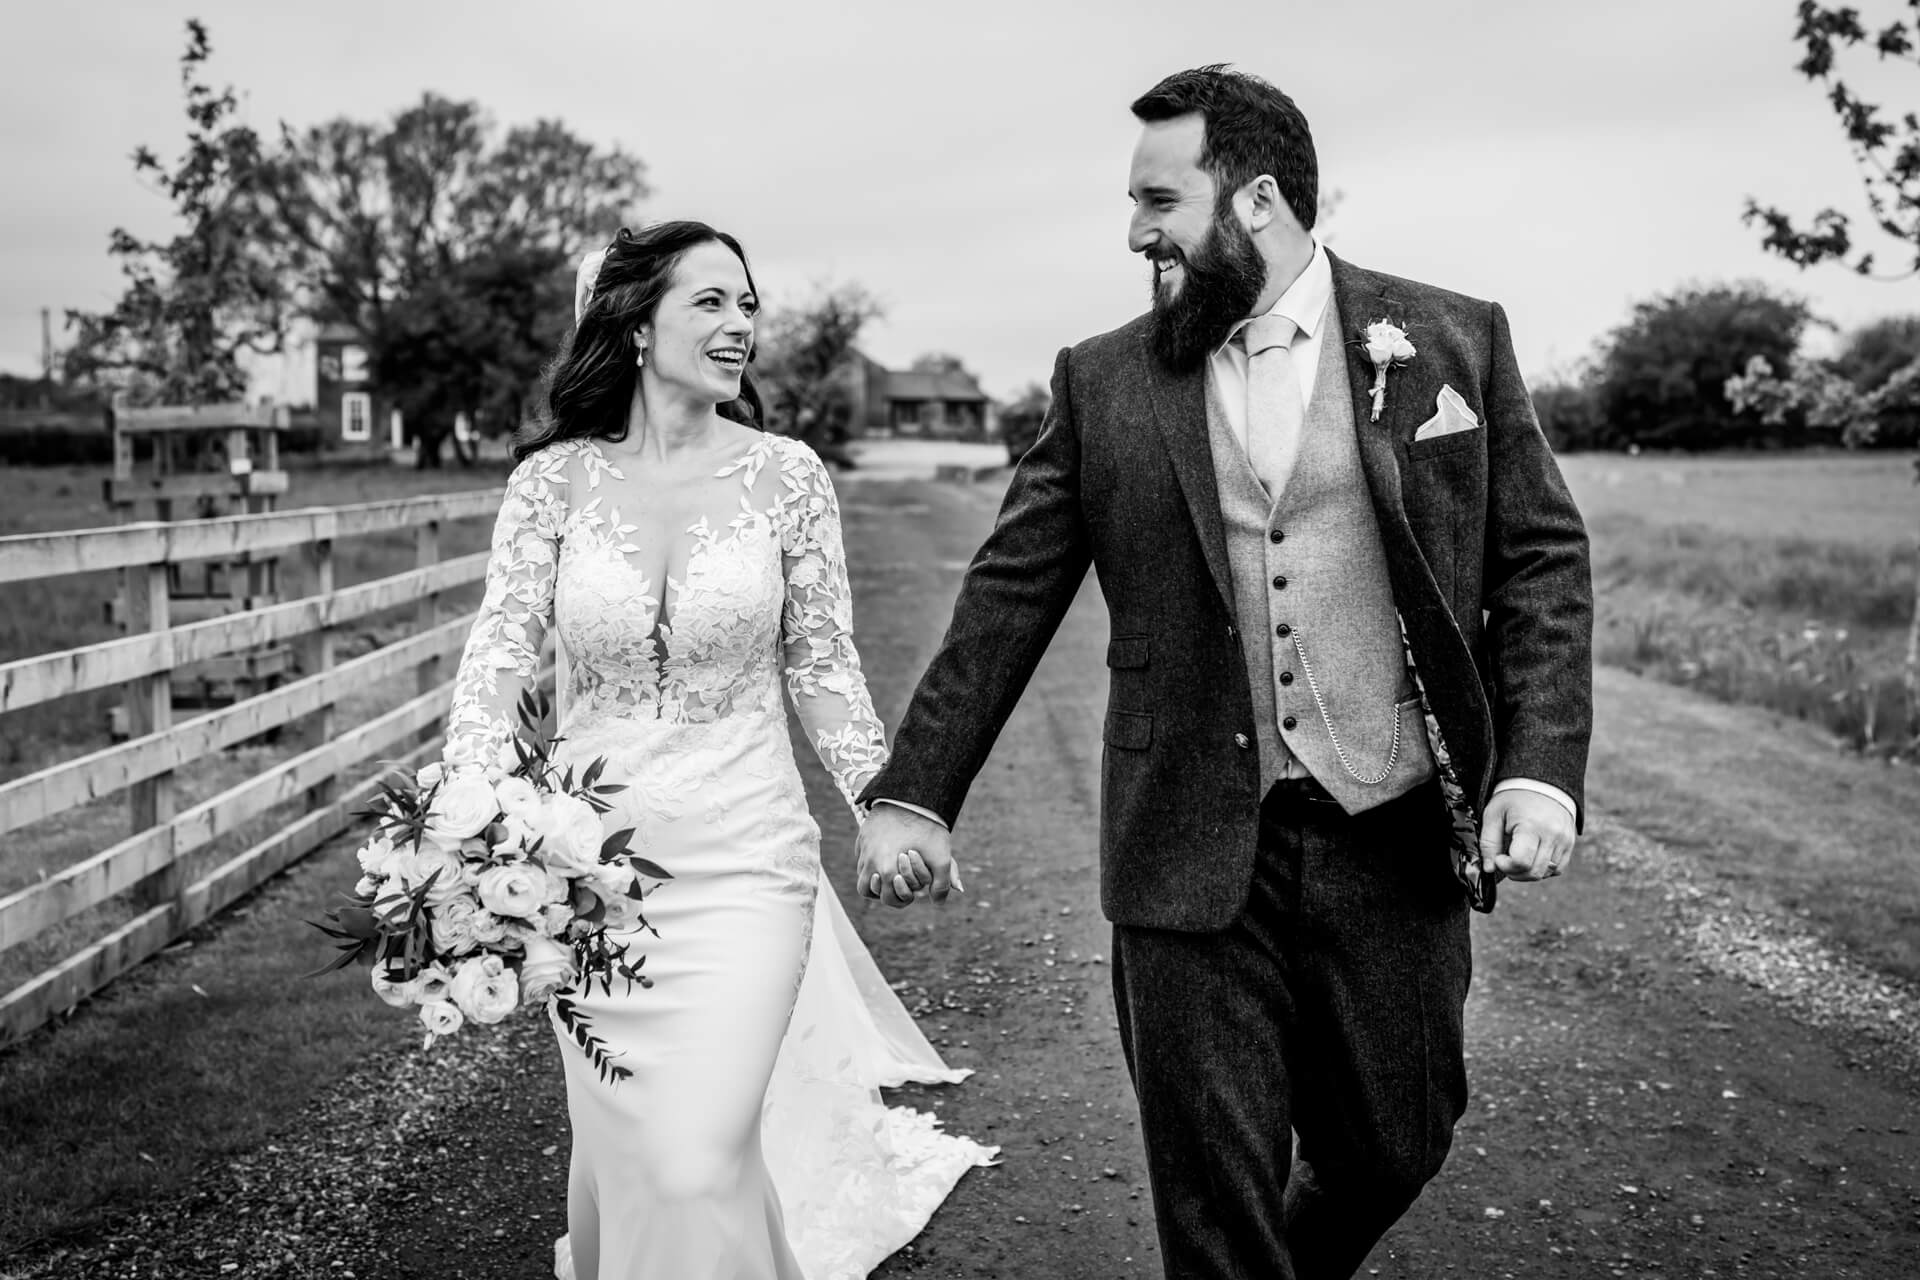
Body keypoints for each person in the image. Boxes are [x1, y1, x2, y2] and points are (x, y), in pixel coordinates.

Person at [855, 66, 1593, 1280]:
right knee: (1212, 1204)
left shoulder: (1454, 337)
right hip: (1186, 843)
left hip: (1391, 828)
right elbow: (1009, 589)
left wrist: (1541, 770)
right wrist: (915, 788)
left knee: (1395, 1144)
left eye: (1159, 199)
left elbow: (1543, 560)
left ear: (1255, 201)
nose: (1137, 230)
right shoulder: (1103, 379)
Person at [438, 220, 994, 1280]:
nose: (741, 324)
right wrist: (469, 830)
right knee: (643, 1156)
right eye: (712, 302)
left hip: (747, 860)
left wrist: (890, 798)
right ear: (635, 323)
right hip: (585, 878)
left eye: (749, 305)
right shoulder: (551, 485)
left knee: (693, 1156)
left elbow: (824, 668)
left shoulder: (789, 478)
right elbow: (500, 664)